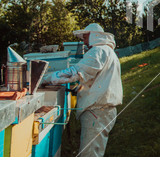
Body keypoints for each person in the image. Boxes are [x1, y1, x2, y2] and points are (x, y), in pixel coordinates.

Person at [41, 23, 123, 157]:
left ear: (95, 36)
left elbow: (75, 72)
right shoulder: (107, 51)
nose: (84, 42)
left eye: (85, 37)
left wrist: (46, 78)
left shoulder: (98, 51)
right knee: (93, 152)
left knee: (89, 155)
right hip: (102, 110)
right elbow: (94, 77)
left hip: (97, 110)